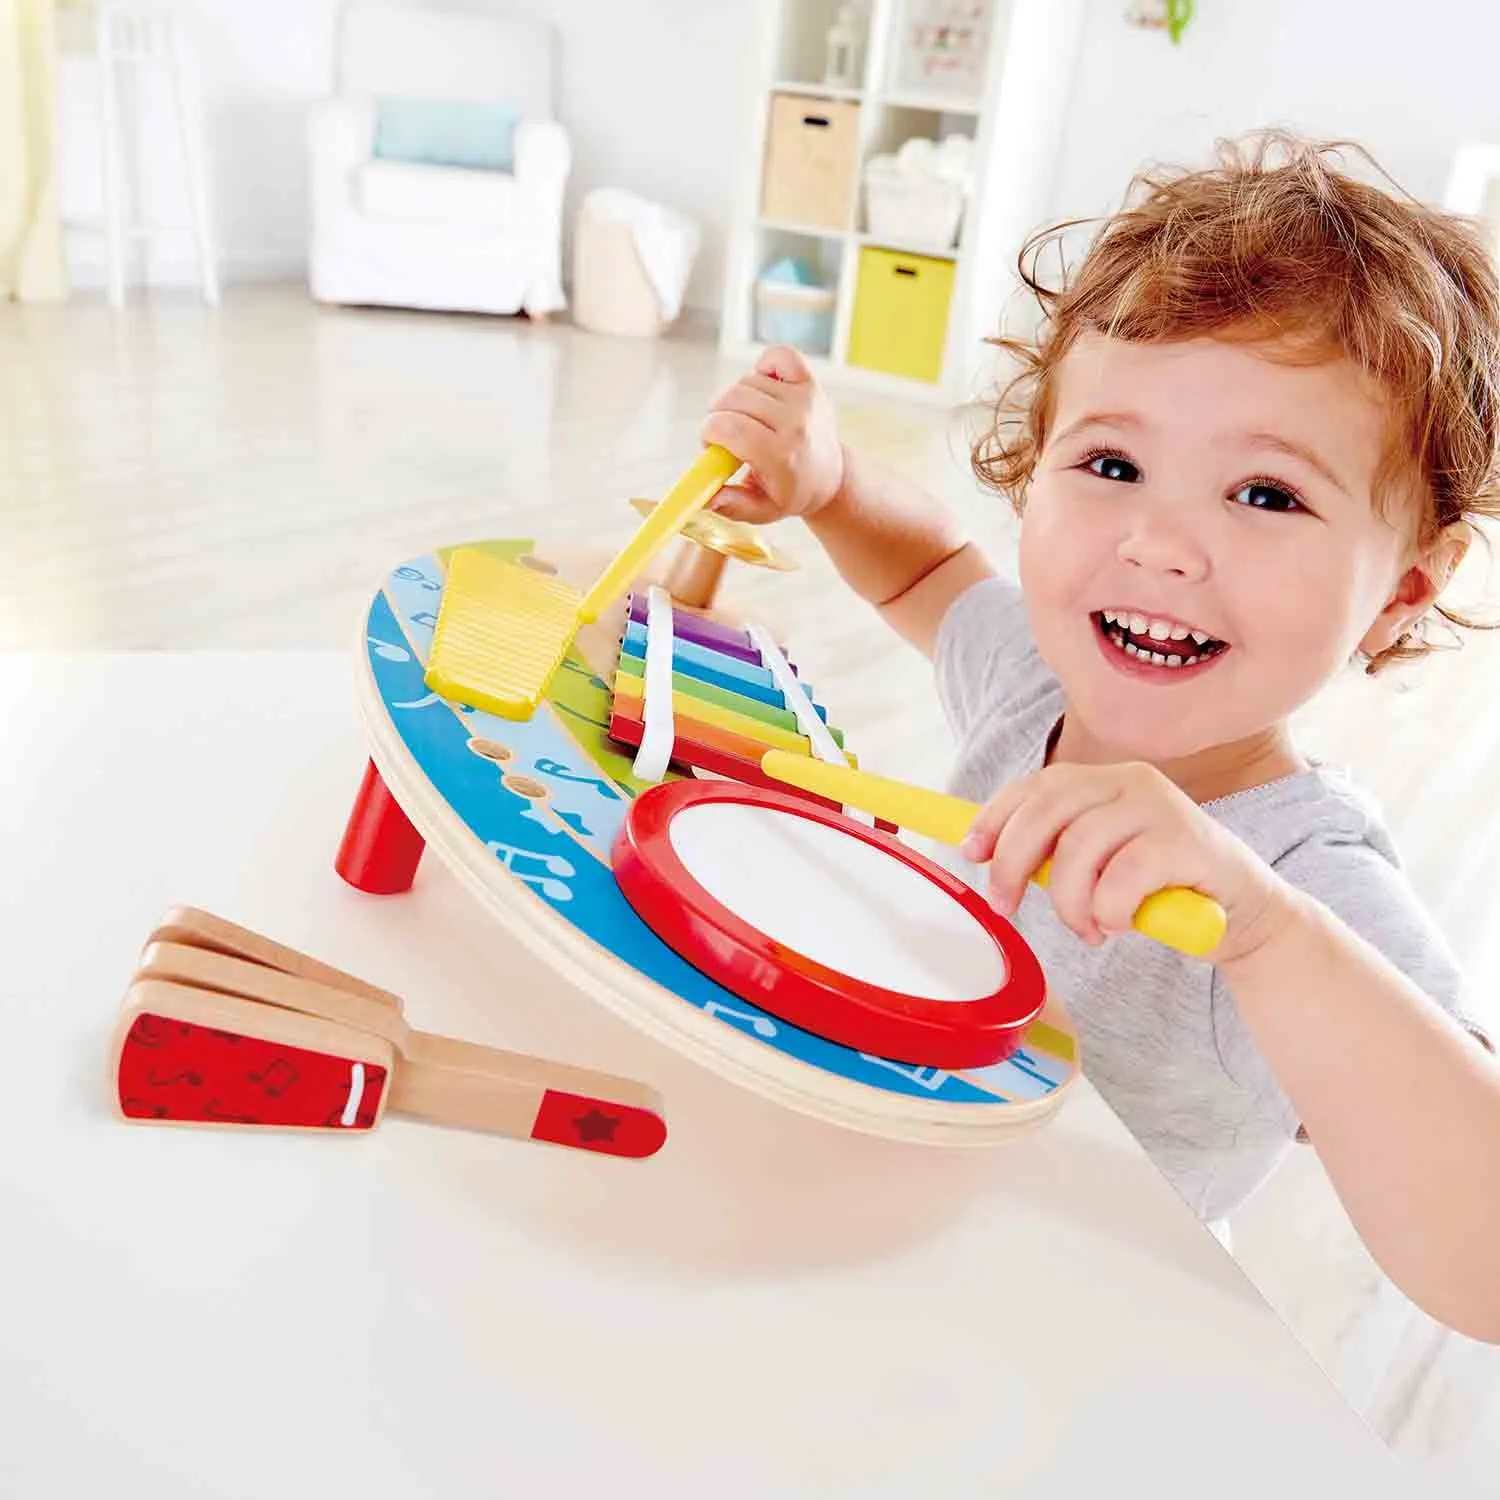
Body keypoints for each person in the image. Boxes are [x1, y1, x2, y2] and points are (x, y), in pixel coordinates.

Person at [701, 132, 1500, 1341]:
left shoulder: (1297, 877)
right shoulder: (1035, 686)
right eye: (1113, 463)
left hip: (1078, 1322)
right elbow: (927, 567)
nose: (1161, 545)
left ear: (1402, 590)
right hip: (890, 1206)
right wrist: (830, 484)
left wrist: (1264, 937)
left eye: (1267, 494)